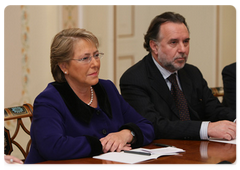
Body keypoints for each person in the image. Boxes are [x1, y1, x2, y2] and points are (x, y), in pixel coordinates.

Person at [24, 28, 155, 164]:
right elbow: (53, 146)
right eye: (85, 58)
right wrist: (101, 145)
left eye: (96, 55)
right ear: (64, 66)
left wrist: (126, 134)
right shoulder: (49, 100)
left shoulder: (107, 89)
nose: (95, 64)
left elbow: (147, 126)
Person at [120, 12, 237, 140]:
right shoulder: (134, 79)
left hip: (198, 150)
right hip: (162, 153)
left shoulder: (192, 73)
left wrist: (236, 120)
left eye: (186, 42)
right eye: (174, 42)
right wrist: (207, 128)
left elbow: (213, 109)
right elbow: (154, 125)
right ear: (154, 46)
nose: (183, 49)